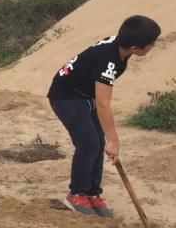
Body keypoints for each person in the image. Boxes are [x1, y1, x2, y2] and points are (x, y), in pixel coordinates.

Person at [47, 15, 161, 217]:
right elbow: (103, 103)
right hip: (66, 96)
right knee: (89, 144)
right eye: (150, 45)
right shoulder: (108, 60)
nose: (152, 47)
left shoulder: (120, 48)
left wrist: (107, 140)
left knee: (97, 144)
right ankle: (76, 194)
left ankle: (92, 193)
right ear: (135, 47)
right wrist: (114, 140)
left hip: (84, 95)